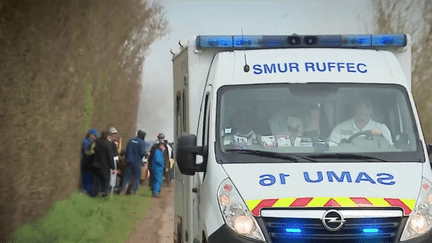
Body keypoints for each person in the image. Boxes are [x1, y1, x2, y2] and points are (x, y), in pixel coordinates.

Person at [329, 96, 393, 145]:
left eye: (367, 106)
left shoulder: (381, 129)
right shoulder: (340, 129)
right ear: (354, 108)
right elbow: (332, 149)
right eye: (359, 104)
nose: (363, 109)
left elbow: (389, 150)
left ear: (372, 110)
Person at [119, 130, 149, 195]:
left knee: (127, 177)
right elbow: (143, 153)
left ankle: (123, 190)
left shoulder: (130, 141)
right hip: (137, 162)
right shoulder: (142, 142)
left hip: (128, 161)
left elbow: (126, 151)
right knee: (136, 177)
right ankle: (133, 191)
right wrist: (147, 154)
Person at [88, 130, 116, 197]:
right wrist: (113, 167)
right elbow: (110, 157)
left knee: (96, 181)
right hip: (105, 166)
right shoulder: (107, 144)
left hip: (95, 164)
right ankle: (105, 194)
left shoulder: (96, 141)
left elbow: (89, 149)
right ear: (107, 136)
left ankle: (94, 194)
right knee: (106, 181)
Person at [81, 128, 98, 195]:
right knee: (86, 176)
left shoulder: (92, 142)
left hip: (90, 161)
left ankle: (88, 190)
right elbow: (87, 151)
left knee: (90, 176)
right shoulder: (86, 141)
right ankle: (85, 190)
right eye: (94, 135)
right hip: (86, 161)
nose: (94, 137)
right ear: (90, 134)